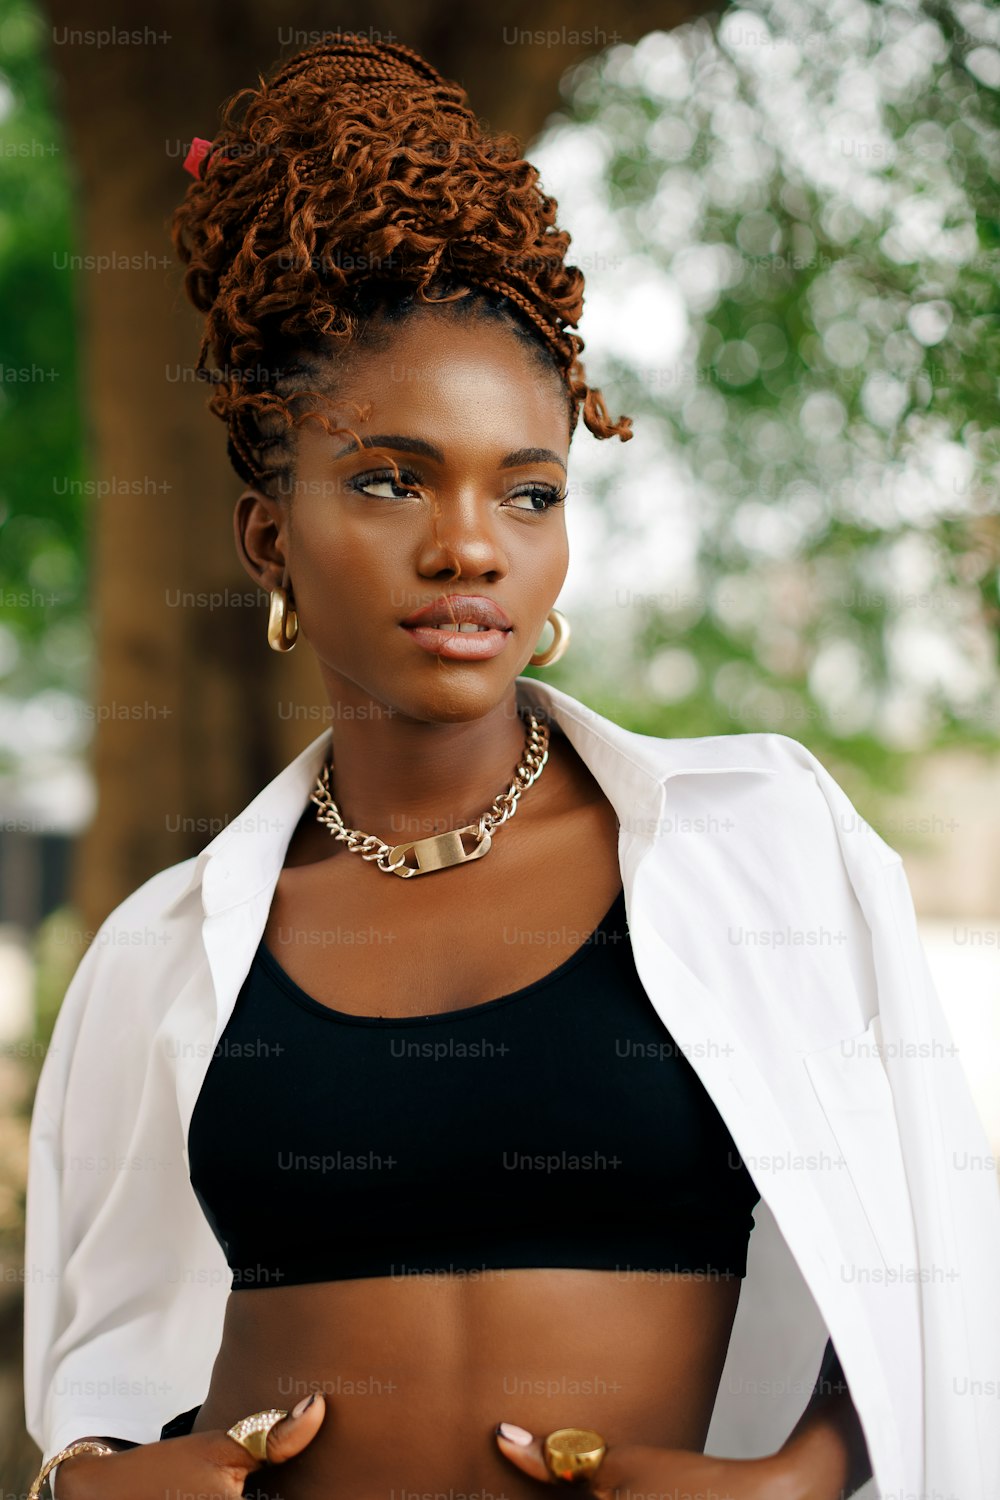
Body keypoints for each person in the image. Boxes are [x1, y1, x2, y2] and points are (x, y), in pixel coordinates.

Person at [23, 34, 1000, 1500]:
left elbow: (938, 1244)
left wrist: (801, 1477)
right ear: (269, 540)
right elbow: (94, 1365)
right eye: (390, 478)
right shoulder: (163, 956)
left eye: (527, 490)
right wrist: (82, 1478)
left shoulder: (758, 846)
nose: (468, 543)